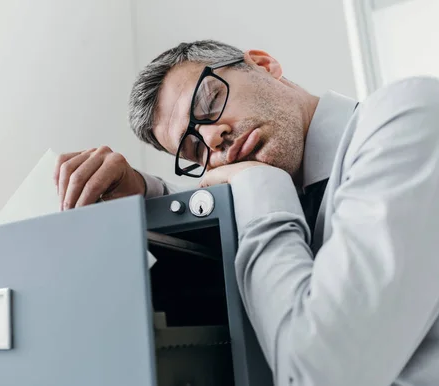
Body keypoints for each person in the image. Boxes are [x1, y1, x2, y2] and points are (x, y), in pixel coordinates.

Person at [53, 40, 439, 385]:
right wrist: (142, 190)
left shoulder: (404, 115)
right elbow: (215, 199)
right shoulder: (290, 193)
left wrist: (258, 182)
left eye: (208, 102)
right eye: (192, 151)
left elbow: (320, 374)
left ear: (264, 64)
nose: (211, 139)